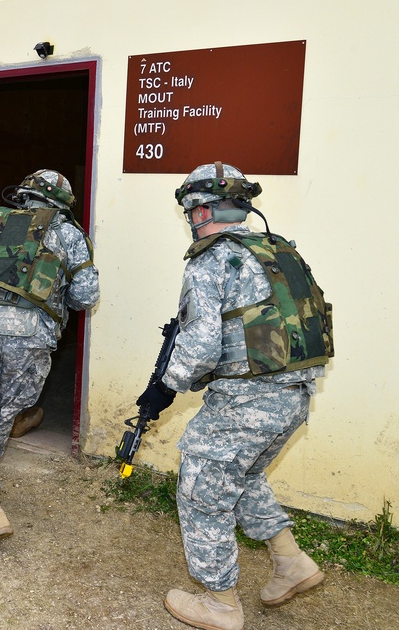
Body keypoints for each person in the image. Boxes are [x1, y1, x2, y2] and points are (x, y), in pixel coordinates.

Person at [139, 162, 333, 630]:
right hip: (294, 395)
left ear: (200, 210)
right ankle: (292, 563)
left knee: (202, 490)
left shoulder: (212, 259)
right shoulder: (279, 251)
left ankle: (220, 603)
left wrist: (165, 387)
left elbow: (202, 344)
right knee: (240, 476)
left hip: (247, 400)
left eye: (192, 211)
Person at [0, 169, 100, 545]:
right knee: (2, 415)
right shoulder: (70, 234)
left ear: (24, 195)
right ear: (62, 203)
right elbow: (85, 296)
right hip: (31, 336)